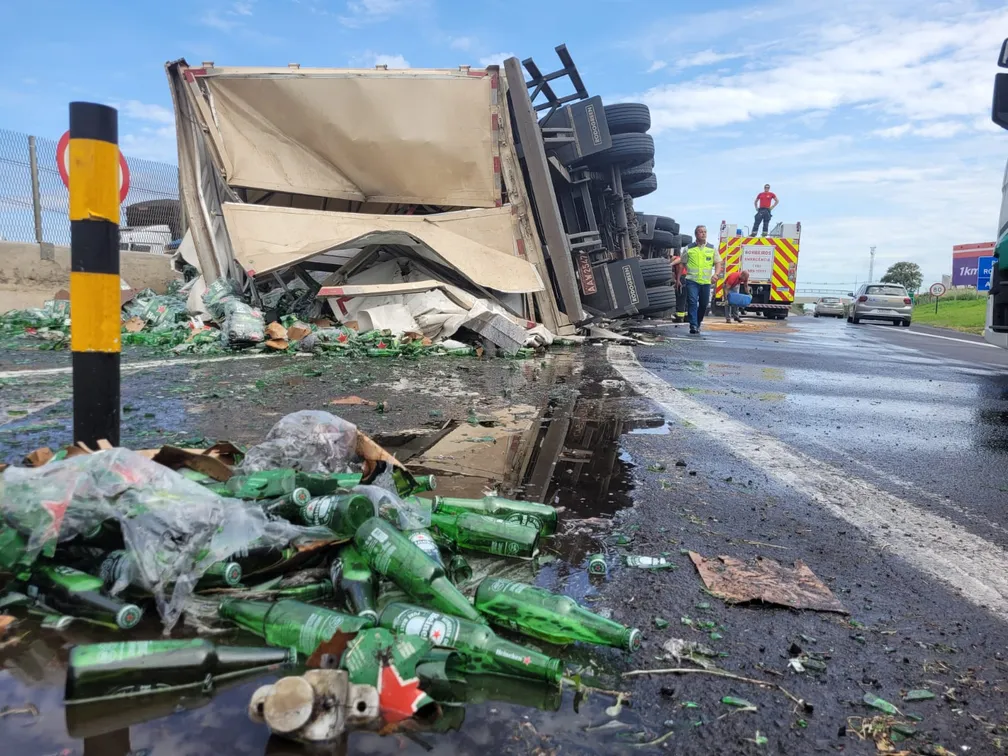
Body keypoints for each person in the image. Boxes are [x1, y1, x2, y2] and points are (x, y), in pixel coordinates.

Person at [683, 225, 722, 335]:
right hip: (692, 281)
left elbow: (718, 262)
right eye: (701, 232)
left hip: (706, 282)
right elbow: (683, 262)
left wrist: (716, 274)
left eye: (705, 232)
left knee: (704, 304)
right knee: (692, 302)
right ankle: (693, 325)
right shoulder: (688, 248)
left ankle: (698, 322)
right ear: (696, 234)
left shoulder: (712, 248)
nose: (703, 234)